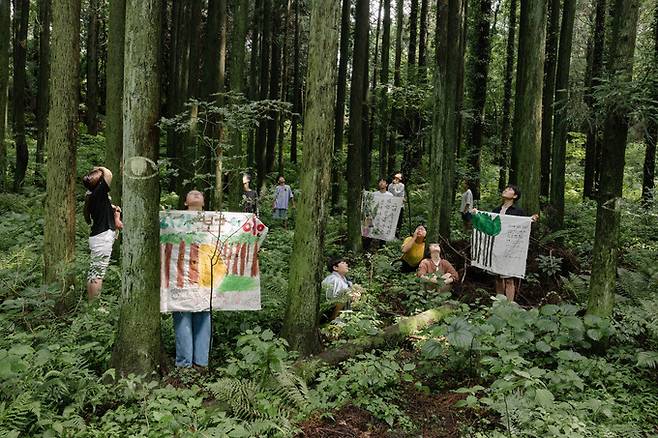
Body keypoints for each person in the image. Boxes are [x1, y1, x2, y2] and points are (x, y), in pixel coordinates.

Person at [477, 185, 538, 302]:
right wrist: (477, 214)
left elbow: (522, 225)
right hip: (497, 247)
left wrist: (531, 219)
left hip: (510, 248)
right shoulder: (496, 210)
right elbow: (489, 224)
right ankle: (499, 303)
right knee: (498, 277)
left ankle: (509, 305)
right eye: (505, 188)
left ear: (515, 196)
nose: (506, 190)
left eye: (510, 190)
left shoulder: (518, 211)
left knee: (509, 278)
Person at [172, 190, 211, 370]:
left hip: (205, 277)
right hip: (180, 275)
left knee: (203, 315)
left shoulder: (214, 221)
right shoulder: (173, 221)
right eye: (191, 193)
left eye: (199, 194)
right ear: (185, 203)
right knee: (182, 316)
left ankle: (200, 363)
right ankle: (184, 365)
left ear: (204, 202)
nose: (196, 194)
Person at [83, 166, 122, 301]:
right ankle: (94, 305)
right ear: (99, 184)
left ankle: (91, 303)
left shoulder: (94, 196)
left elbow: (115, 221)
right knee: (98, 273)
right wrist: (100, 168)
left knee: (94, 271)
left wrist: (115, 215)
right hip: (102, 237)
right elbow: (109, 174)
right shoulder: (98, 193)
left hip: (99, 237)